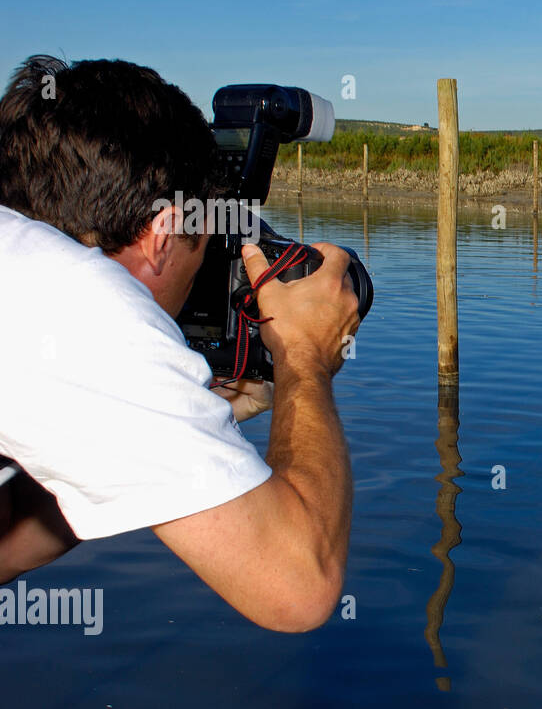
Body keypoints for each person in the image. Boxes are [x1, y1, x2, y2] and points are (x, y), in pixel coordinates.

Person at [0, 55, 359, 631]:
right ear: (163, 235)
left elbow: (8, 526)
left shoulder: (24, 271)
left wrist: (154, 437)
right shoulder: (82, 304)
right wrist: (304, 358)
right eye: (201, 260)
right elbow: (301, 585)